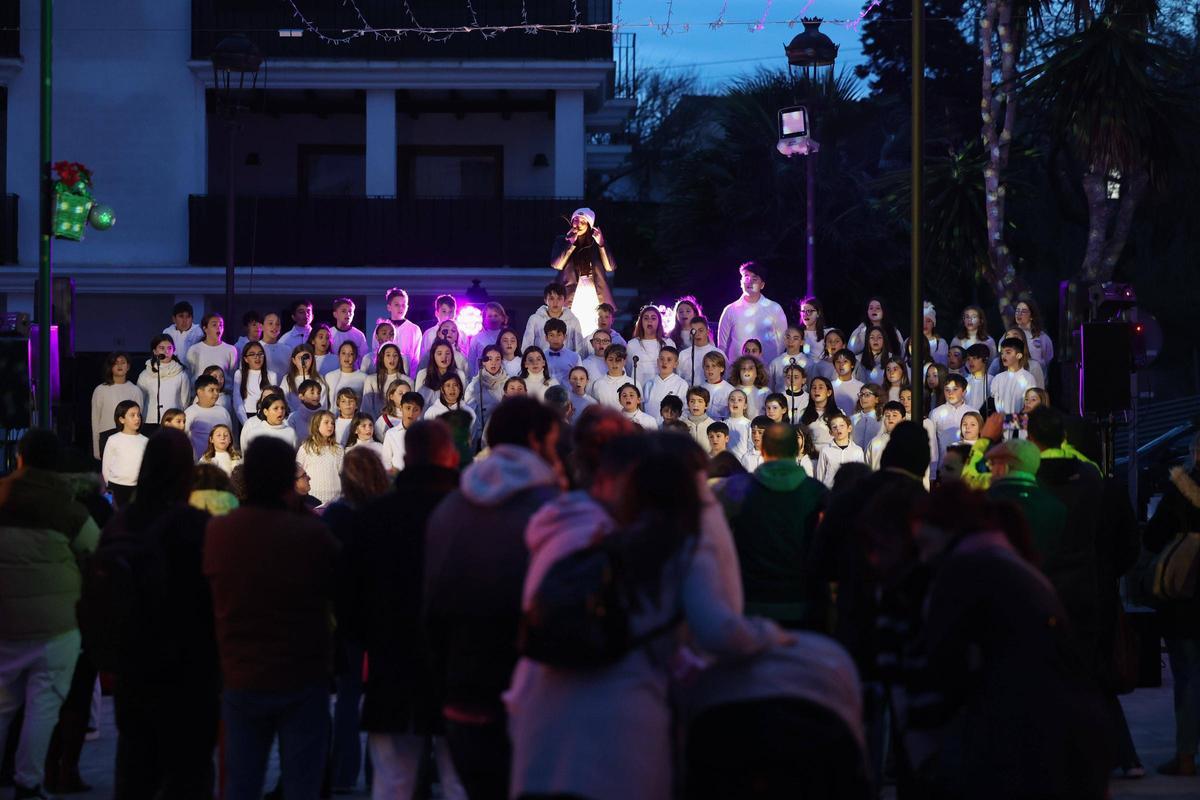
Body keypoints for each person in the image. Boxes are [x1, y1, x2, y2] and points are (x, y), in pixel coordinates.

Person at [507, 432, 784, 799]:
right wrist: (772, 635)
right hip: (621, 729)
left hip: (539, 725)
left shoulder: (585, 535)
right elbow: (717, 630)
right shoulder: (681, 545)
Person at [898, 484, 1111, 799]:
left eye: (924, 542)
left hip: (1019, 735)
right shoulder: (1011, 564)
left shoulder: (966, 569)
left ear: (943, 529)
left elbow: (943, 665)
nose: (922, 555)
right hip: (1068, 728)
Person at [422, 398, 564, 799]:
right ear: (538, 442)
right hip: (533, 698)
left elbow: (432, 603)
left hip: (464, 691)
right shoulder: (553, 510)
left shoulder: (451, 507)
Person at [203, 436, 340, 800]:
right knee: (302, 785)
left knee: (241, 783)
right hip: (302, 671)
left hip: (241, 670)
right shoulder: (311, 532)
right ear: (286, 477)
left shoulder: (219, 532)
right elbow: (337, 594)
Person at [341, 421, 468, 800]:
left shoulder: (376, 516)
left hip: (392, 661)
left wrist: (368, 638)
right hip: (458, 663)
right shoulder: (467, 511)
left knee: (393, 781)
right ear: (451, 456)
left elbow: (350, 594)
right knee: (459, 781)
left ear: (408, 456)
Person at [99, 429, 221, 800]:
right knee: (189, 771)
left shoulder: (120, 523)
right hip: (190, 668)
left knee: (136, 766)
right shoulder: (195, 525)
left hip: (135, 663)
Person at [0, 431, 100, 799]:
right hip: (56, 622)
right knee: (44, 704)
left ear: (20, 458)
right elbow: (95, 550)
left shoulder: (2, 495)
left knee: (3, 703)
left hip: (5, 618)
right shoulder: (66, 505)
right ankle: (29, 782)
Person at [714, 421, 828, 628]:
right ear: (797, 449)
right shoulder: (816, 492)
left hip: (749, 601)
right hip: (802, 601)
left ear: (763, 449)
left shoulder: (736, 490)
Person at [1146, 429, 1200, 776]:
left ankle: (1184, 755)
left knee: (1189, 675)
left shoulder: (1179, 491)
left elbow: (1153, 538)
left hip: (1187, 594)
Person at [550, 207, 616, 335]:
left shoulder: (596, 242)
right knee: (572, 328)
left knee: (593, 326)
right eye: (575, 220)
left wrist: (601, 244)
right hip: (572, 291)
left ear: (589, 225)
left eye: (583, 221)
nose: (578, 224)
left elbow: (610, 267)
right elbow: (557, 264)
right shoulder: (562, 240)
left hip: (594, 290)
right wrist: (570, 244)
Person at [717, 261, 788, 364]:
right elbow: (722, 345)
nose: (749, 281)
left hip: (766, 371)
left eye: (754, 278)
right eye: (746, 277)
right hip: (737, 371)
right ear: (741, 282)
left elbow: (782, 341)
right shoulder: (730, 310)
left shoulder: (774, 308)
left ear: (762, 285)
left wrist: (774, 365)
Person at [91, 352, 144, 459]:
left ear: (128, 366)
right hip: (106, 434)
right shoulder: (100, 390)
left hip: (129, 436)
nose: (119, 366)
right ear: (110, 366)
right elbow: (95, 420)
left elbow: (138, 419)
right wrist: (96, 448)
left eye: (123, 363)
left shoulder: (135, 390)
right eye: (116, 363)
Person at [101, 400, 149, 509]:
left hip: (138, 488)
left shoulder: (145, 441)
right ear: (122, 419)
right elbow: (106, 466)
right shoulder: (113, 440)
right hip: (117, 486)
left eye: (138, 415)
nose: (137, 418)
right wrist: (108, 487)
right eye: (132, 415)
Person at [138, 335, 193, 428]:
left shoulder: (181, 374)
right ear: (155, 351)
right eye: (162, 348)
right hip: (150, 421)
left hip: (173, 422)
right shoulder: (145, 374)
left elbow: (185, 401)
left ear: (173, 350)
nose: (166, 351)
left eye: (169, 348)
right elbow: (140, 400)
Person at [296, 411, 344, 507]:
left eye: (332, 423)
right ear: (316, 425)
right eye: (326, 422)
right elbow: (298, 471)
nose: (330, 426)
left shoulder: (338, 449)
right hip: (313, 498)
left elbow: (342, 472)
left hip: (334, 497)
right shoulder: (306, 448)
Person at [185, 374, 235, 461]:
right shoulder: (190, 413)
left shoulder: (223, 412)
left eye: (217, 390)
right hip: (198, 462)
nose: (216, 393)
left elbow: (229, 436)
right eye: (211, 390)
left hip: (220, 461)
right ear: (200, 392)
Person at [522, 283, 584, 353]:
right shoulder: (535, 319)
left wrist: (576, 362)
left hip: (567, 362)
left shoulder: (573, 320)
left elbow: (580, 347)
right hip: (541, 362)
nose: (555, 302)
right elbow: (527, 345)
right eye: (551, 298)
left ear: (564, 300)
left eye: (559, 298)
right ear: (545, 300)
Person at [186, 313, 239, 392]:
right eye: (214, 325)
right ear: (205, 328)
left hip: (222, 396)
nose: (219, 328)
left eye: (221, 325)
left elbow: (232, 374)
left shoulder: (230, 350)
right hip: (201, 395)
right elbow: (190, 374)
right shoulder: (194, 350)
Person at [815, 413, 866, 489]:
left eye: (842, 426)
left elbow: (861, 475)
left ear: (849, 428)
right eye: (834, 427)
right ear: (831, 432)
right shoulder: (825, 450)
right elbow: (820, 475)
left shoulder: (857, 450)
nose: (838, 429)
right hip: (830, 492)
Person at [233, 341, 278, 426]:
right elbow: (237, 401)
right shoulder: (239, 374)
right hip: (246, 416)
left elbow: (273, 400)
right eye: (252, 354)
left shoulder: (272, 375)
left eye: (260, 354)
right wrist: (246, 423)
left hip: (266, 416)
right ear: (246, 359)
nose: (257, 357)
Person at [384, 288, 424, 375]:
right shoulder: (381, 328)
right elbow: (376, 354)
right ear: (389, 307)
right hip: (385, 376)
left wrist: (412, 379)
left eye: (403, 305)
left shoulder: (414, 329)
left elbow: (416, 359)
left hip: (407, 377)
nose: (400, 308)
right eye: (397, 305)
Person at [625, 305, 669, 377]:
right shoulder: (632, 344)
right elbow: (629, 369)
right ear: (641, 322)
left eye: (653, 318)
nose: (649, 321)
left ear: (659, 322)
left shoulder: (668, 343)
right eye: (646, 318)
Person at [679, 317, 719, 386]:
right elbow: (679, 378)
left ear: (707, 332)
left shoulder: (718, 353)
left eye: (701, 330)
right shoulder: (683, 355)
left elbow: (725, 378)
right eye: (694, 331)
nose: (697, 334)